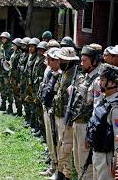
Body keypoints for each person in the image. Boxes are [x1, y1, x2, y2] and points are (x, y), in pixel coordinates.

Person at [70, 45, 102, 180]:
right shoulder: (86, 76)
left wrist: (91, 132)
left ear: (94, 61)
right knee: (77, 161)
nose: (81, 63)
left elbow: (97, 108)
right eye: (81, 60)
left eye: (84, 60)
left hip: (86, 126)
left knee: (85, 165)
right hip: (77, 122)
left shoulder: (98, 80)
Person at [85, 63, 118, 180]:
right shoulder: (105, 100)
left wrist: (116, 162)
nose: (100, 83)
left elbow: (117, 137)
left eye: (103, 80)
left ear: (113, 83)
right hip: (97, 153)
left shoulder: (115, 107)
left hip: (107, 158)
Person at [54, 47, 80, 180]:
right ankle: (61, 171)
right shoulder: (64, 73)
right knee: (61, 144)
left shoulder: (75, 77)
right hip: (60, 115)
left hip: (68, 118)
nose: (60, 62)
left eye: (62, 60)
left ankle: (68, 174)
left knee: (67, 147)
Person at [39, 47, 61, 178]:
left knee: (56, 141)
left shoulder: (61, 74)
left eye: (51, 59)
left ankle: (58, 169)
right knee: (50, 141)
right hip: (47, 109)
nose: (48, 61)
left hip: (55, 112)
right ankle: (52, 166)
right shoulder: (50, 71)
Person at [0, 32, 13, 113]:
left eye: (4, 38)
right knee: (2, 88)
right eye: (2, 38)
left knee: (8, 89)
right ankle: (3, 105)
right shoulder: (2, 46)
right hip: (1, 71)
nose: (3, 39)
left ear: (8, 39)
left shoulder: (11, 47)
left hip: (7, 72)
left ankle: (10, 107)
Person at [8, 38, 22, 116]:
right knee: (11, 93)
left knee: (17, 95)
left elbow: (18, 68)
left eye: (14, 45)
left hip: (16, 78)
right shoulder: (14, 53)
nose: (13, 46)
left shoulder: (19, 54)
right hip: (12, 77)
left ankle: (19, 111)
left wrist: (18, 79)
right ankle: (11, 109)